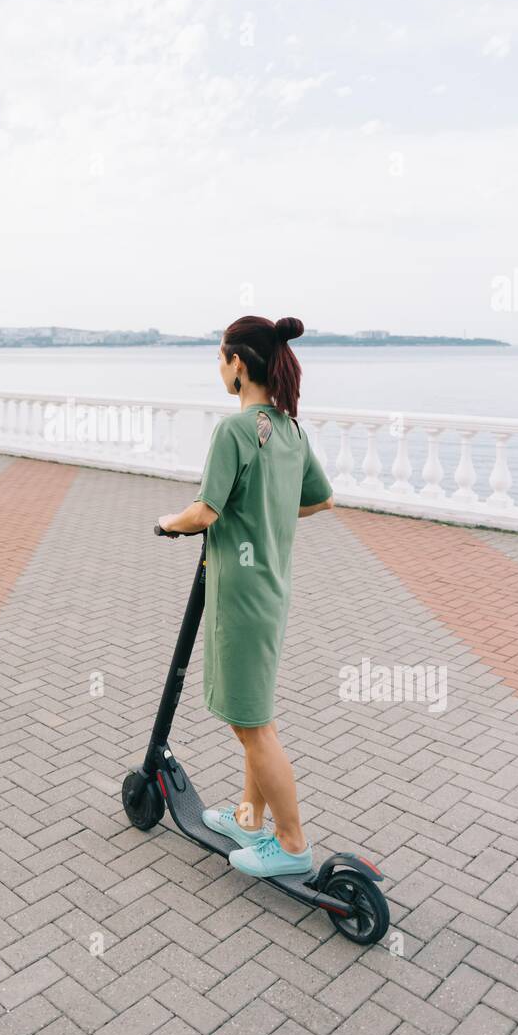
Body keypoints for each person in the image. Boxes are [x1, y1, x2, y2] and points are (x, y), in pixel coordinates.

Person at [157, 315, 333, 878]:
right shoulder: (292, 430)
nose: (218, 367)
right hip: (273, 591)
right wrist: (269, 509)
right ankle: (249, 818)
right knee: (260, 717)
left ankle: (290, 844)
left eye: (219, 358)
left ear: (238, 365)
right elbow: (319, 501)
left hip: (239, 596)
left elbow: (203, 512)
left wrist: (167, 522)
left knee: (251, 727)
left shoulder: (235, 432)